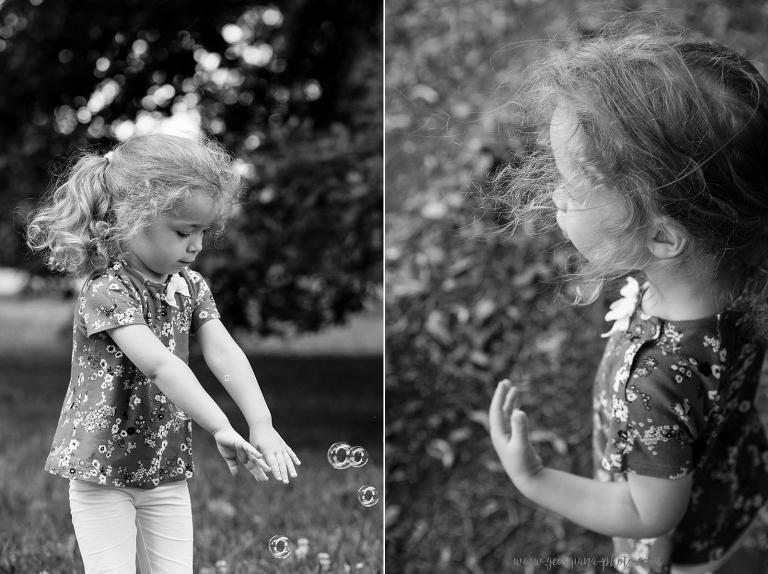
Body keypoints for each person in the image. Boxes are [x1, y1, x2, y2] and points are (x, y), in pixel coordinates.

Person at [487, 23, 768, 574]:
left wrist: (534, 478)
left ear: (664, 236)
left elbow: (647, 514)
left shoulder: (657, 380)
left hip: (686, 547)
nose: (555, 192)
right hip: (729, 476)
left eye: (573, 185)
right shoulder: (737, 265)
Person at [27, 133, 301, 573]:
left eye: (203, 232)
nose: (196, 246)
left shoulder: (189, 285)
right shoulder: (107, 289)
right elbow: (159, 365)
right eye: (183, 232)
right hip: (102, 468)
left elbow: (224, 351)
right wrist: (220, 426)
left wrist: (261, 422)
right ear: (130, 220)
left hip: (164, 464)